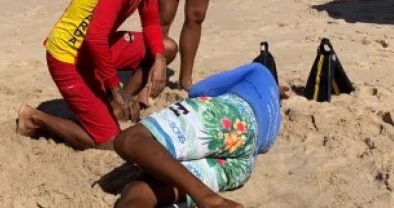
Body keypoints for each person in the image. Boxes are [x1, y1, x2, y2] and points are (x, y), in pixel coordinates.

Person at [16, 0, 180, 150]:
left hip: (94, 48)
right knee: (111, 142)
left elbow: (151, 21)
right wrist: (114, 90)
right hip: (67, 56)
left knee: (167, 46)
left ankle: (121, 100)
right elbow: (94, 37)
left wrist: (160, 57)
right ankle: (35, 118)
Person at [113, 62, 285, 208]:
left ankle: (208, 198)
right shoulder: (276, 118)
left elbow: (198, 90)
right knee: (144, 187)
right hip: (243, 163)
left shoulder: (259, 70)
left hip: (234, 117)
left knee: (128, 140)